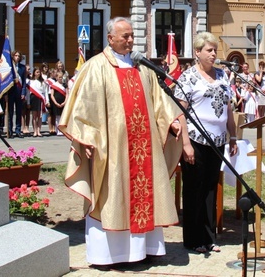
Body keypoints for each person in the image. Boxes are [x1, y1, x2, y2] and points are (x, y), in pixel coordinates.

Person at [58, 17, 189, 266]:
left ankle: (143, 250)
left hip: (145, 150)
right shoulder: (96, 67)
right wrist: (84, 138)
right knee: (112, 195)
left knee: (144, 191)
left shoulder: (143, 68)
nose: (130, 40)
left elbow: (159, 100)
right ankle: (108, 255)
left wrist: (170, 120)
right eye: (125, 36)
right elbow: (83, 108)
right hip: (113, 150)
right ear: (110, 38)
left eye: (131, 36)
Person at [174, 32, 238, 254]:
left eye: (215, 50)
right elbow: (180, 112)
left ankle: (210, 237)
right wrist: (185, 145)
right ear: (197, 53)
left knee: (211, 189)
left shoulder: (222, 76)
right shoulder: (188, 77)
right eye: (209, 50)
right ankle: (193, 239)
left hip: (218, 141)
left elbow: (228, 108)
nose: (213, 54)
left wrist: (234, 136)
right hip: (195, 140)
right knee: (194, 190)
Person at [7, 51, 27, 138]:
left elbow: (24, 81)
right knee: (10, 112)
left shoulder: (22, 67)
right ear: (13, 56)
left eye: (19, 56)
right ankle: (10, 130)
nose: (17, 57)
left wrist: (23, 92)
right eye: (16, 55)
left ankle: (18, 130)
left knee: (19, 112)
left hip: (19, 91)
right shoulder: (9, 67)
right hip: (11, 91)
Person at [27, 67, 48, 137]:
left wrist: (47, 101)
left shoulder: (43, 82)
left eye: (39, 72)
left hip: (40, 99)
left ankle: (39, 131)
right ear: (34, 73)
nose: (38, 73)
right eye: (36, 72)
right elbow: (28, 93)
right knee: (34, 116)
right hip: (33, 98)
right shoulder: (30, 81)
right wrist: (28, 102)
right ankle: (34, 131)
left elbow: (45, 92)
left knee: (40, 116)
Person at [49, 69, 67, 136]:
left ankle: (63, 130)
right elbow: (52, 95)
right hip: (56, 103)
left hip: (63, 102)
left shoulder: (64, 85)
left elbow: (67, 94)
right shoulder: (54, 85)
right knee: (57, 117)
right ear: (56, 77)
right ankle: (58, 130)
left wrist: (65, 102)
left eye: (61, 77)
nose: (60, 79)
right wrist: (55, 103)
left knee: (62, 117)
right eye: (59, 77)